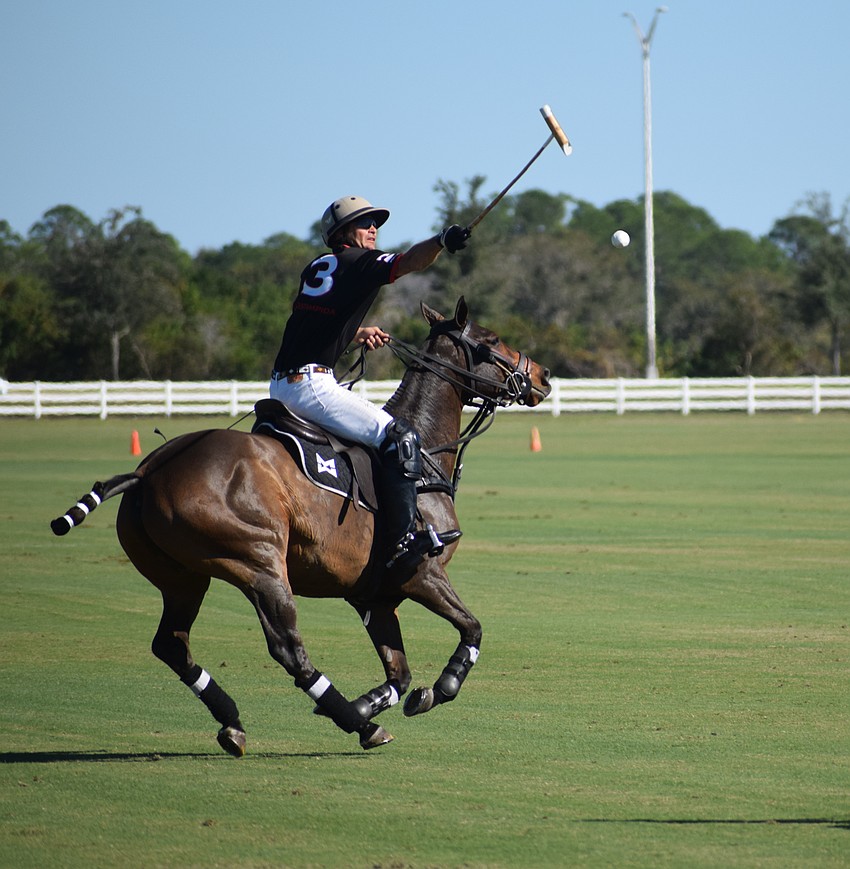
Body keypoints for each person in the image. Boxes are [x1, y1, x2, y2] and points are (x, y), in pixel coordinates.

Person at [270, 195, 471, 571]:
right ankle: (405, 540)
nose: (374, 229)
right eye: (365, 224)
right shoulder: (359, 261)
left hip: (281, 386)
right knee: (401, 437)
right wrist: (442, 239)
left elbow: (313, 326)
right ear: (343, 233)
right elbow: (409, 262)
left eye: (376, 223)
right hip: (311, 387)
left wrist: (356, 332)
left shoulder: (320, 266)